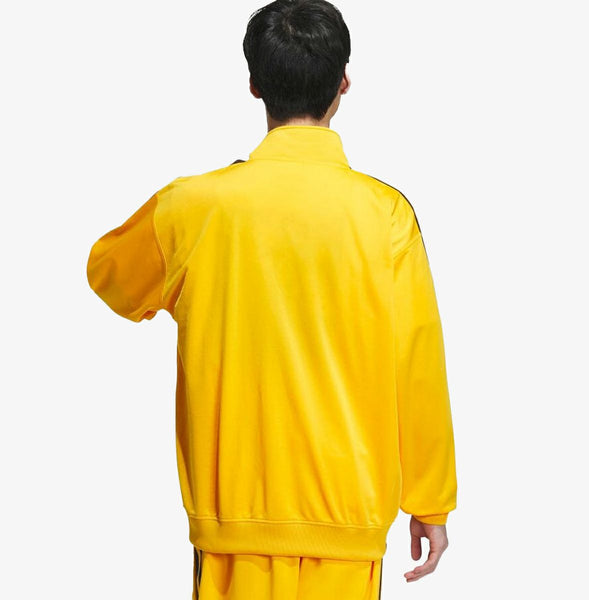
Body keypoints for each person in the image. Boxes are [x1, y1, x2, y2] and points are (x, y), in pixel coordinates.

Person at [86, 0, 457, 597]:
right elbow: (417, 364)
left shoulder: (191, 207)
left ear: (254, 84)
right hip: (347, 524)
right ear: (343, 83)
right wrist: (430, 501)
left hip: (231, 526)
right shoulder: (385, 214)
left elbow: (109, 277)